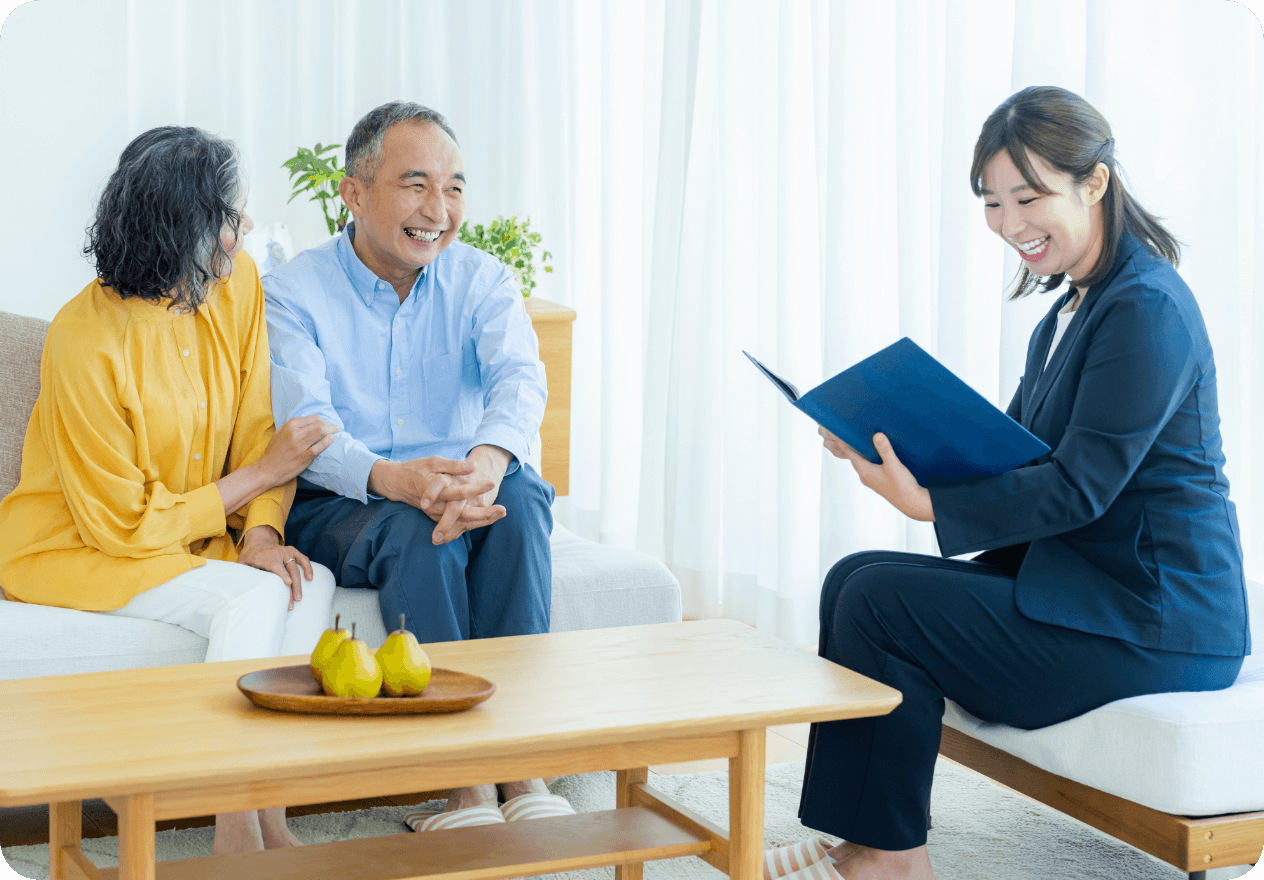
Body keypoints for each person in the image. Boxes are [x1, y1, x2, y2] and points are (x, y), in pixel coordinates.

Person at [767, 86, 1251, 880]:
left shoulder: (1148, 309)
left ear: (1094, 183)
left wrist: (928, 503)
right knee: (855, 578)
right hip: (1095, 596)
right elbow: (1016, 461)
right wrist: (886, 445)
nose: (1010, 222)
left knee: (879, 602)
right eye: (993, 203)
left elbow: (1080, 487)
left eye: (1029, 197)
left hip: (1156, 623)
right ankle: (870, 839)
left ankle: (890, 859)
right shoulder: (1071, 310)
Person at [0, 126, 340, 856]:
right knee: (252, 597)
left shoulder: (239, 281)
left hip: (188, 540)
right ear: (182, 228)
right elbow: (119, 523)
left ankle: (268, 812)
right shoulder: (83, 339)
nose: (244, 228)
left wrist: (261, 532)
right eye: (230, 215)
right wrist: (255, 481)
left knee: (307, 584)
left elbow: (258, 426)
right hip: (81, 547)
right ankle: (229, 826)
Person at [262, 102, 561, 826]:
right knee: (413, 530)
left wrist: (487, 463)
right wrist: (396, 480)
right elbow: (307, 429)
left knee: (522, 500)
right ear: (354, 193)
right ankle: (460, 781)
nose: (440, 210)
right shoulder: (293, 291)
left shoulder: (482, 280)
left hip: (462, 484)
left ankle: (521, 767)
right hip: (347, 497)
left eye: (455, 188)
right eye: (416, 184)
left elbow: (520, 380)